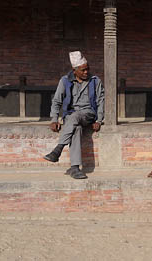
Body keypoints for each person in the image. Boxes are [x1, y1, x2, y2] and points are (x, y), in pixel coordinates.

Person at [43, 51, 104, 179]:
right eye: (83, 70)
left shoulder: (95, 81)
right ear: (74, 70)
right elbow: (56, 101)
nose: (86, 72)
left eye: (87, 69)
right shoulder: (64, 81)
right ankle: (75, 168)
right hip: (71, 117)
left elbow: (101, 101)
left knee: (75, 117)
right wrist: (54, 119)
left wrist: (99, 120)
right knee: (76, 128)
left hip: (88, 114)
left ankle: (58, 149)